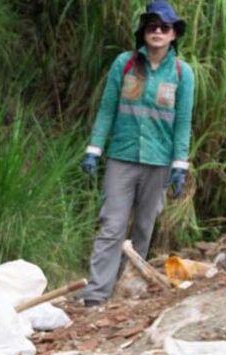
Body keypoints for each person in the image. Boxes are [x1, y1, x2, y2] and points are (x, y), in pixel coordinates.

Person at [79, 1, 195, 306]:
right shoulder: (125, 64)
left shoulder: (183, 73)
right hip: (122, 156)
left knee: (144, 228)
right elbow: (107, 110)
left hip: (158, 162)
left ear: (173, 35)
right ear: (143, 31)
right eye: (151, 26)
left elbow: (183, 123)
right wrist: (94, 149)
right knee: (112, 225)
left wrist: (179, 164)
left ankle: (128, 291)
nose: (157, 32)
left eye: (164, 27)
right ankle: (96, 294)